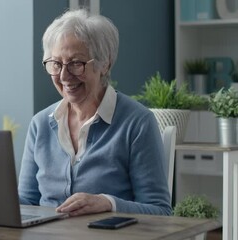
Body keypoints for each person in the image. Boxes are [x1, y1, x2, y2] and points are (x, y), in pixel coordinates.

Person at [18, 9, 172, 216]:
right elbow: (26, 201)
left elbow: (160, 211)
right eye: (56, 63)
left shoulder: (137, 122)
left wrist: (108, 203)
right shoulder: (40, 124)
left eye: (75, 63)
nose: (64, 75)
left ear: (105, 63)